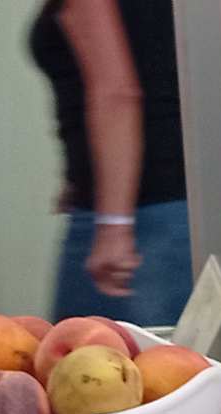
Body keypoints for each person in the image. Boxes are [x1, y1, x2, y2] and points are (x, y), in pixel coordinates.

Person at [32, 0, 194, 326]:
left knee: (93, 352)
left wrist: (114, 224)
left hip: (138, 217)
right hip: (171, 206)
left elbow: (116, 92)